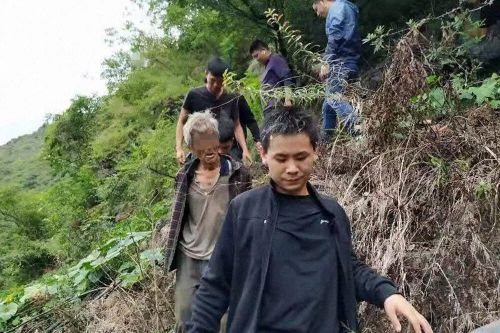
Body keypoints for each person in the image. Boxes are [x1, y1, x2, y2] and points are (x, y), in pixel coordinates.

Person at [187, 107, 433, 333]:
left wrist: (388, 294)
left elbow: (347, 267)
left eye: (301, 157)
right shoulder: (245, 211)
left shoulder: (331, 213)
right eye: (281, 159)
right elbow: (214, 286)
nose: (292, 168)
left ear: (315, 151)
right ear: (263, 153)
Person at [157, 110, 252, 333]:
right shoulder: (184, 177)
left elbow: (248, 218)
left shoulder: (238, 174)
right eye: (201, 144)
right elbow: (178, 216)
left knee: (224, 323)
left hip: (224, 259)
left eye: (212, 141)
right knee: (185, 322)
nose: (209, 149)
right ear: (191, 148)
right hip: (189, 258)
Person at [176, 57, 254, 165]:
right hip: (202, 151)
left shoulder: (231, 96)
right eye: (212, 80)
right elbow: (182, 121)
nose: (216, 85)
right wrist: (179, 148)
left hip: (226, 150)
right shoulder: (194, 95)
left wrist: (245, 149)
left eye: (221, 82)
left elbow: (236, 125)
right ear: (206, 74)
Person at [313, 0, 361, 137]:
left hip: (342, 63)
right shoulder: (345, 8)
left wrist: (326, 62)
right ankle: (326, 145)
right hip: (348, 61)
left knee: (334, 99)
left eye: (316, 9)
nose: (317, 14)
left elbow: (335, 35)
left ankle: (359, 134)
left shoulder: (339, 8)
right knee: (328, 105)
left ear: (322, 2)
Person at [249, 39, 294, 113]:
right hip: (271, 109)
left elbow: (287, 77)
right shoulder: (268, 64)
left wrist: (288, 99)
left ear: (263, 50)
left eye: (256, 56)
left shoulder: (275, 59)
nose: (256, 59)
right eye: (254, 57)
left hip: (278, 108)